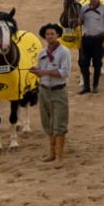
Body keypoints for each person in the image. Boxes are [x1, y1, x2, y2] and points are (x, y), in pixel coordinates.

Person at [30, 23, 73, 166]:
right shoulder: (42, 53)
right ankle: (52, 152)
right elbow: (41, 73)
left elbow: (64, 73)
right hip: (44, 90)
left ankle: (60, 155)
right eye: (47, 34)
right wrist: (36, 72)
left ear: (58, 35)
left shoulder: (64, 52)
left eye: (52, 34)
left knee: (59, 122)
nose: (49, 36)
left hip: (58, 90)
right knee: (46, 121)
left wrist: (44, 72)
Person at [77, 0, 104, 93]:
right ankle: (86, 87)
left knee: (97, 63)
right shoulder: (83, 8)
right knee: (84, 63)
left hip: (99, 39)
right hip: (86, 38)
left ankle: (95, 86)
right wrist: (77, 20)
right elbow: (81, 21)